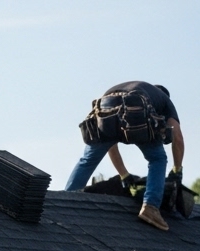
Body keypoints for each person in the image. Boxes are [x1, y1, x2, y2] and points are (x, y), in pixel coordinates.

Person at [65, 82, 184, 232]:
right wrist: (177, 170)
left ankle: (66, 199)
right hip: (137, 111)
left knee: (87, 161)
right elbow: (177, 137)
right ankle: (151, 207)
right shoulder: (165, 101)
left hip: (105, 109)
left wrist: (124, 175)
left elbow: (110, 144)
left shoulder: (135, 88)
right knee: (158, 159)